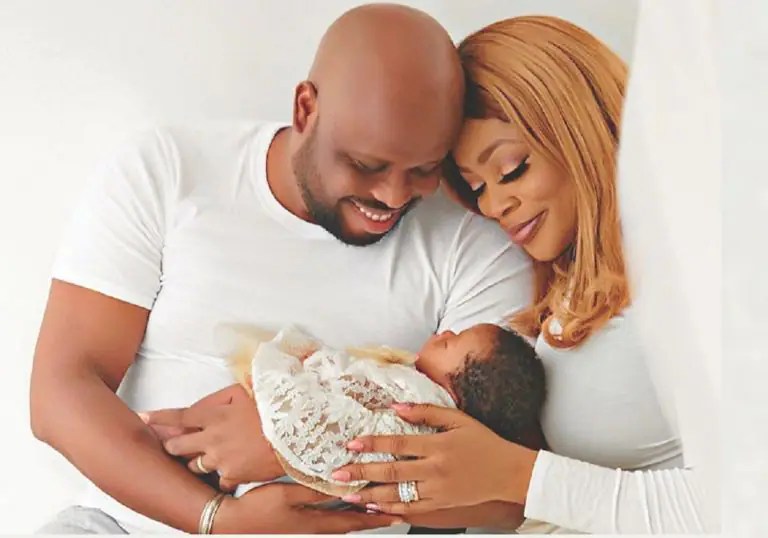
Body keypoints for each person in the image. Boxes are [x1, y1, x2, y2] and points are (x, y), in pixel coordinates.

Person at [30, 4, 532, 534]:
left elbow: (510, 491)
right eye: (366, 165)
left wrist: (294, 443)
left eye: (424, 169)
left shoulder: (474, 246)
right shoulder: (170, 170)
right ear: (305, 108)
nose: (392, 196)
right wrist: (217, 519)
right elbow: (61, 391)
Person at [327, 15, 719, 534]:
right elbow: (577, 495)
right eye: (477, 188)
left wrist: (519, 475)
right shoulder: (569, 285)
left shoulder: (692, 267)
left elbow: (741, 502)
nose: (495, 206)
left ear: (580, 129)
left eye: (512, 169)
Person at [143, 323, 544, 500]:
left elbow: (345, 440)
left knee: (189, 431)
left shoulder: (420, 407)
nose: (441, 334)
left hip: (291, 444)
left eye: (449, 342)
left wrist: (283, 376)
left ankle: (156, 438)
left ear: (456, 390)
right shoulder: (411, 383)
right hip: (271, 442)